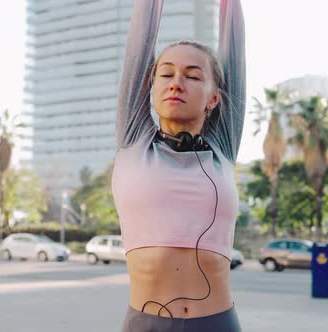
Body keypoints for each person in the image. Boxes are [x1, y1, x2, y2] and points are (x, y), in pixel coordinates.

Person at [112, 0, 245, 331]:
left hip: (218, 323)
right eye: (166, 73)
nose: (176, 83)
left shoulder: (222, 148)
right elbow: (139, 45)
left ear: (214, 97)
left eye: (193, 76)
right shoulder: (133, 141)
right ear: (151, 87)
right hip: (146, 324)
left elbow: (235, 50)